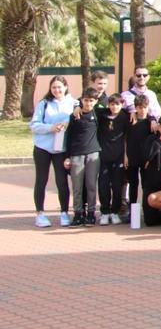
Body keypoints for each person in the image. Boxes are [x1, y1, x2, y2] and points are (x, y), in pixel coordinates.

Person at [30, 76, 75, 228]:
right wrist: (51, 127)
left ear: (66, 87)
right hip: (42, 147)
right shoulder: (43, 104)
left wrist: (66, 124)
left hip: (61, 148)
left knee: (62, 181)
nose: (57, 90)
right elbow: (34, 125)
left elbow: (78, 121)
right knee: (41, 180)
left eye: (59, 87)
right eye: (54, 87)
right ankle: (40, 214)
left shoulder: (74, 103)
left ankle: (64, 212)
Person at [64, 88, 102, 226]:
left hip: (93, 153)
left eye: (91, 101)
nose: (88, 103)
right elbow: (69, 137)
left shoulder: (98, 113)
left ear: (96, 101)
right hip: (76, 154)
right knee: (77, 186)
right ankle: (78, 214)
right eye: (86, 100)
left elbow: (115, 107)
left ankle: (91, 213)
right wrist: (67, 156)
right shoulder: (74, 116)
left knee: (91, 185)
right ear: (82, 100)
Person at [94, 84, 130, 226]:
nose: (114, 107)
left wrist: (126, 156)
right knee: (103, 185)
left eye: (117, 104)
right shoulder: (101, 115)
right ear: (108, 104)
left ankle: (115, 212)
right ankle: (104, 212)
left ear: (122, 104)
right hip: (103, 156)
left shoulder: (125, 117)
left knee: (117, 185)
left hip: (119, 157)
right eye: (112, 104)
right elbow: (89, 108)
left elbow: (127, 137)